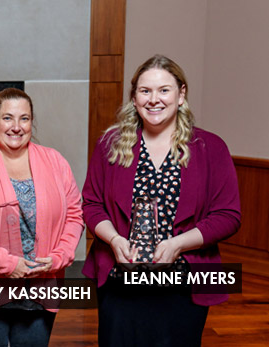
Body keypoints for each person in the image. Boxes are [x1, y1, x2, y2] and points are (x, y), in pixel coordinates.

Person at [82, 54, 241, 346]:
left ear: (181, 95)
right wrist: (115, 239)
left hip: (184, 282)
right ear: (134, 97)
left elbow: (228, 215)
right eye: (145, 91)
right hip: (121, 279)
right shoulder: (110, 145)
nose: (154, 99)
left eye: (164, 90)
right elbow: (91, 205)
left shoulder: (211, 147)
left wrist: (177, 244)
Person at [0, 88, 84, 346]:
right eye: (8, 118)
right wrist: (7, 263)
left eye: (24, 118)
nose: (16, 126)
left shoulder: (55, 161)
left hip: (39, 286)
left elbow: (75, 214)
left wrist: (59, 257)